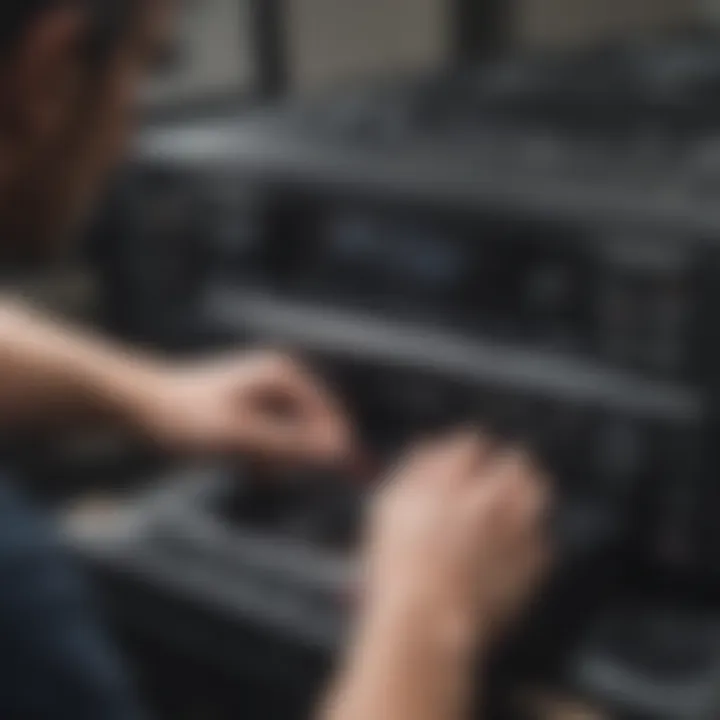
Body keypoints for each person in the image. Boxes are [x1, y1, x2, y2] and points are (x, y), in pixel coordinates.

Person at [0, 1, 551, 719]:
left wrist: (146, 392)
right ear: (51, 75)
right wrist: (429, 620)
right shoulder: (18, 599)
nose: (131, 133)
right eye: (146, 65)